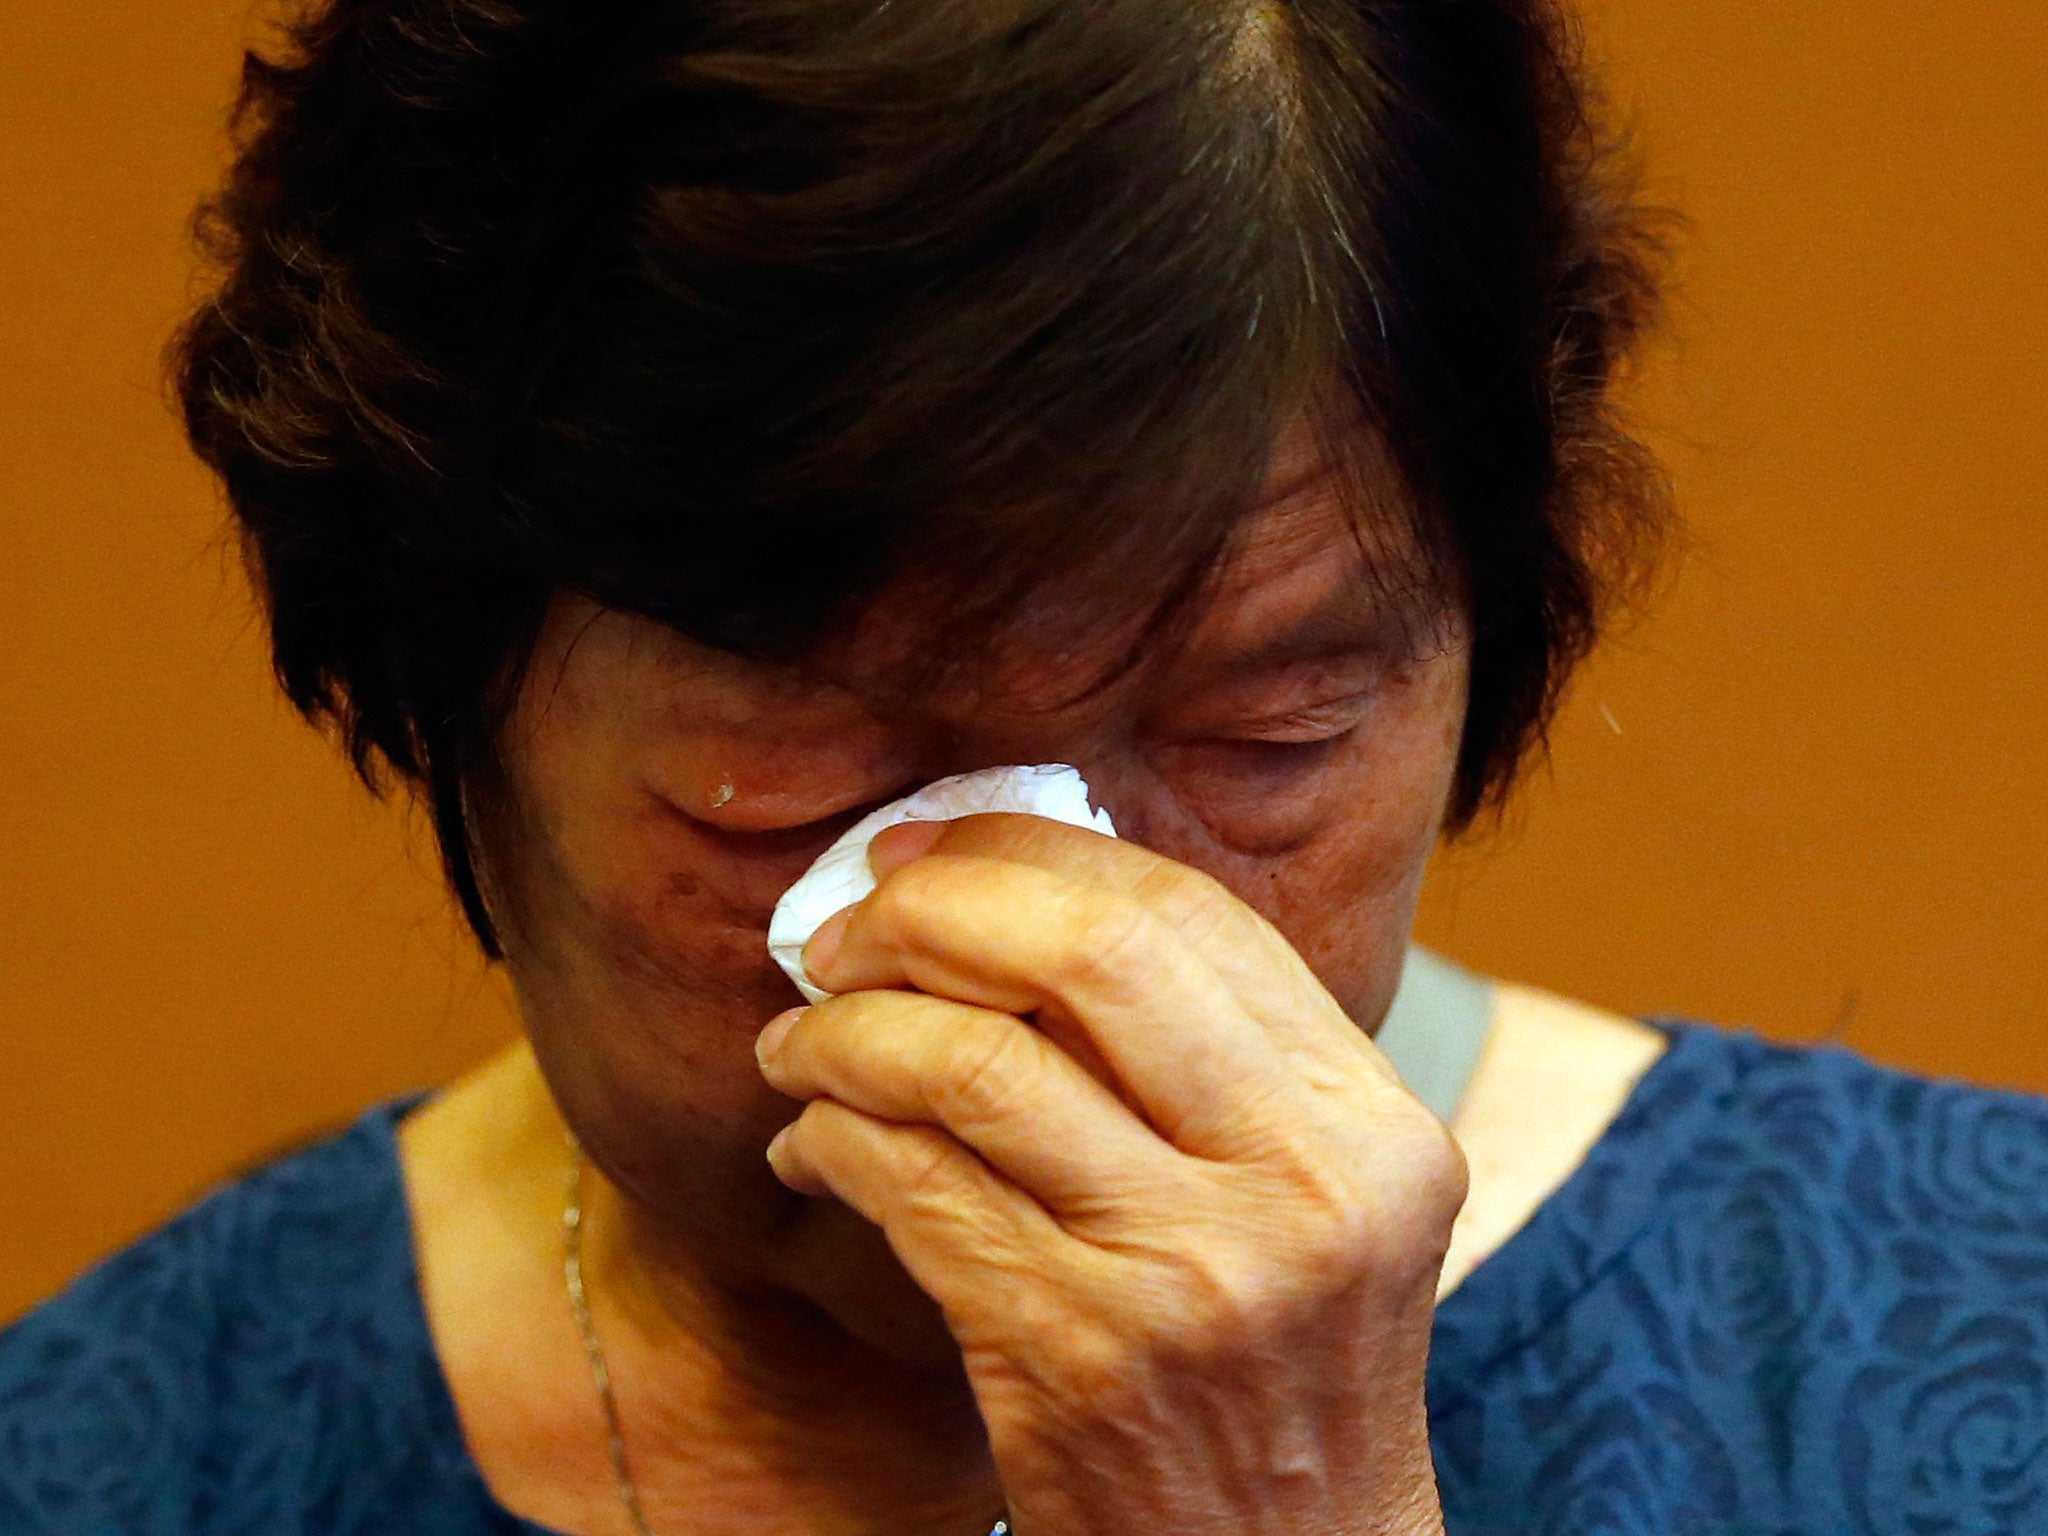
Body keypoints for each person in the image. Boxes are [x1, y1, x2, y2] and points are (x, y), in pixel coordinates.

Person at [4, 0, 2044, 1530]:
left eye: (1266, 738)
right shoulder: (118, 1463)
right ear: (440, 681)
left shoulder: (1964, 1354)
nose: (1054, 921)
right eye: (796, 761)